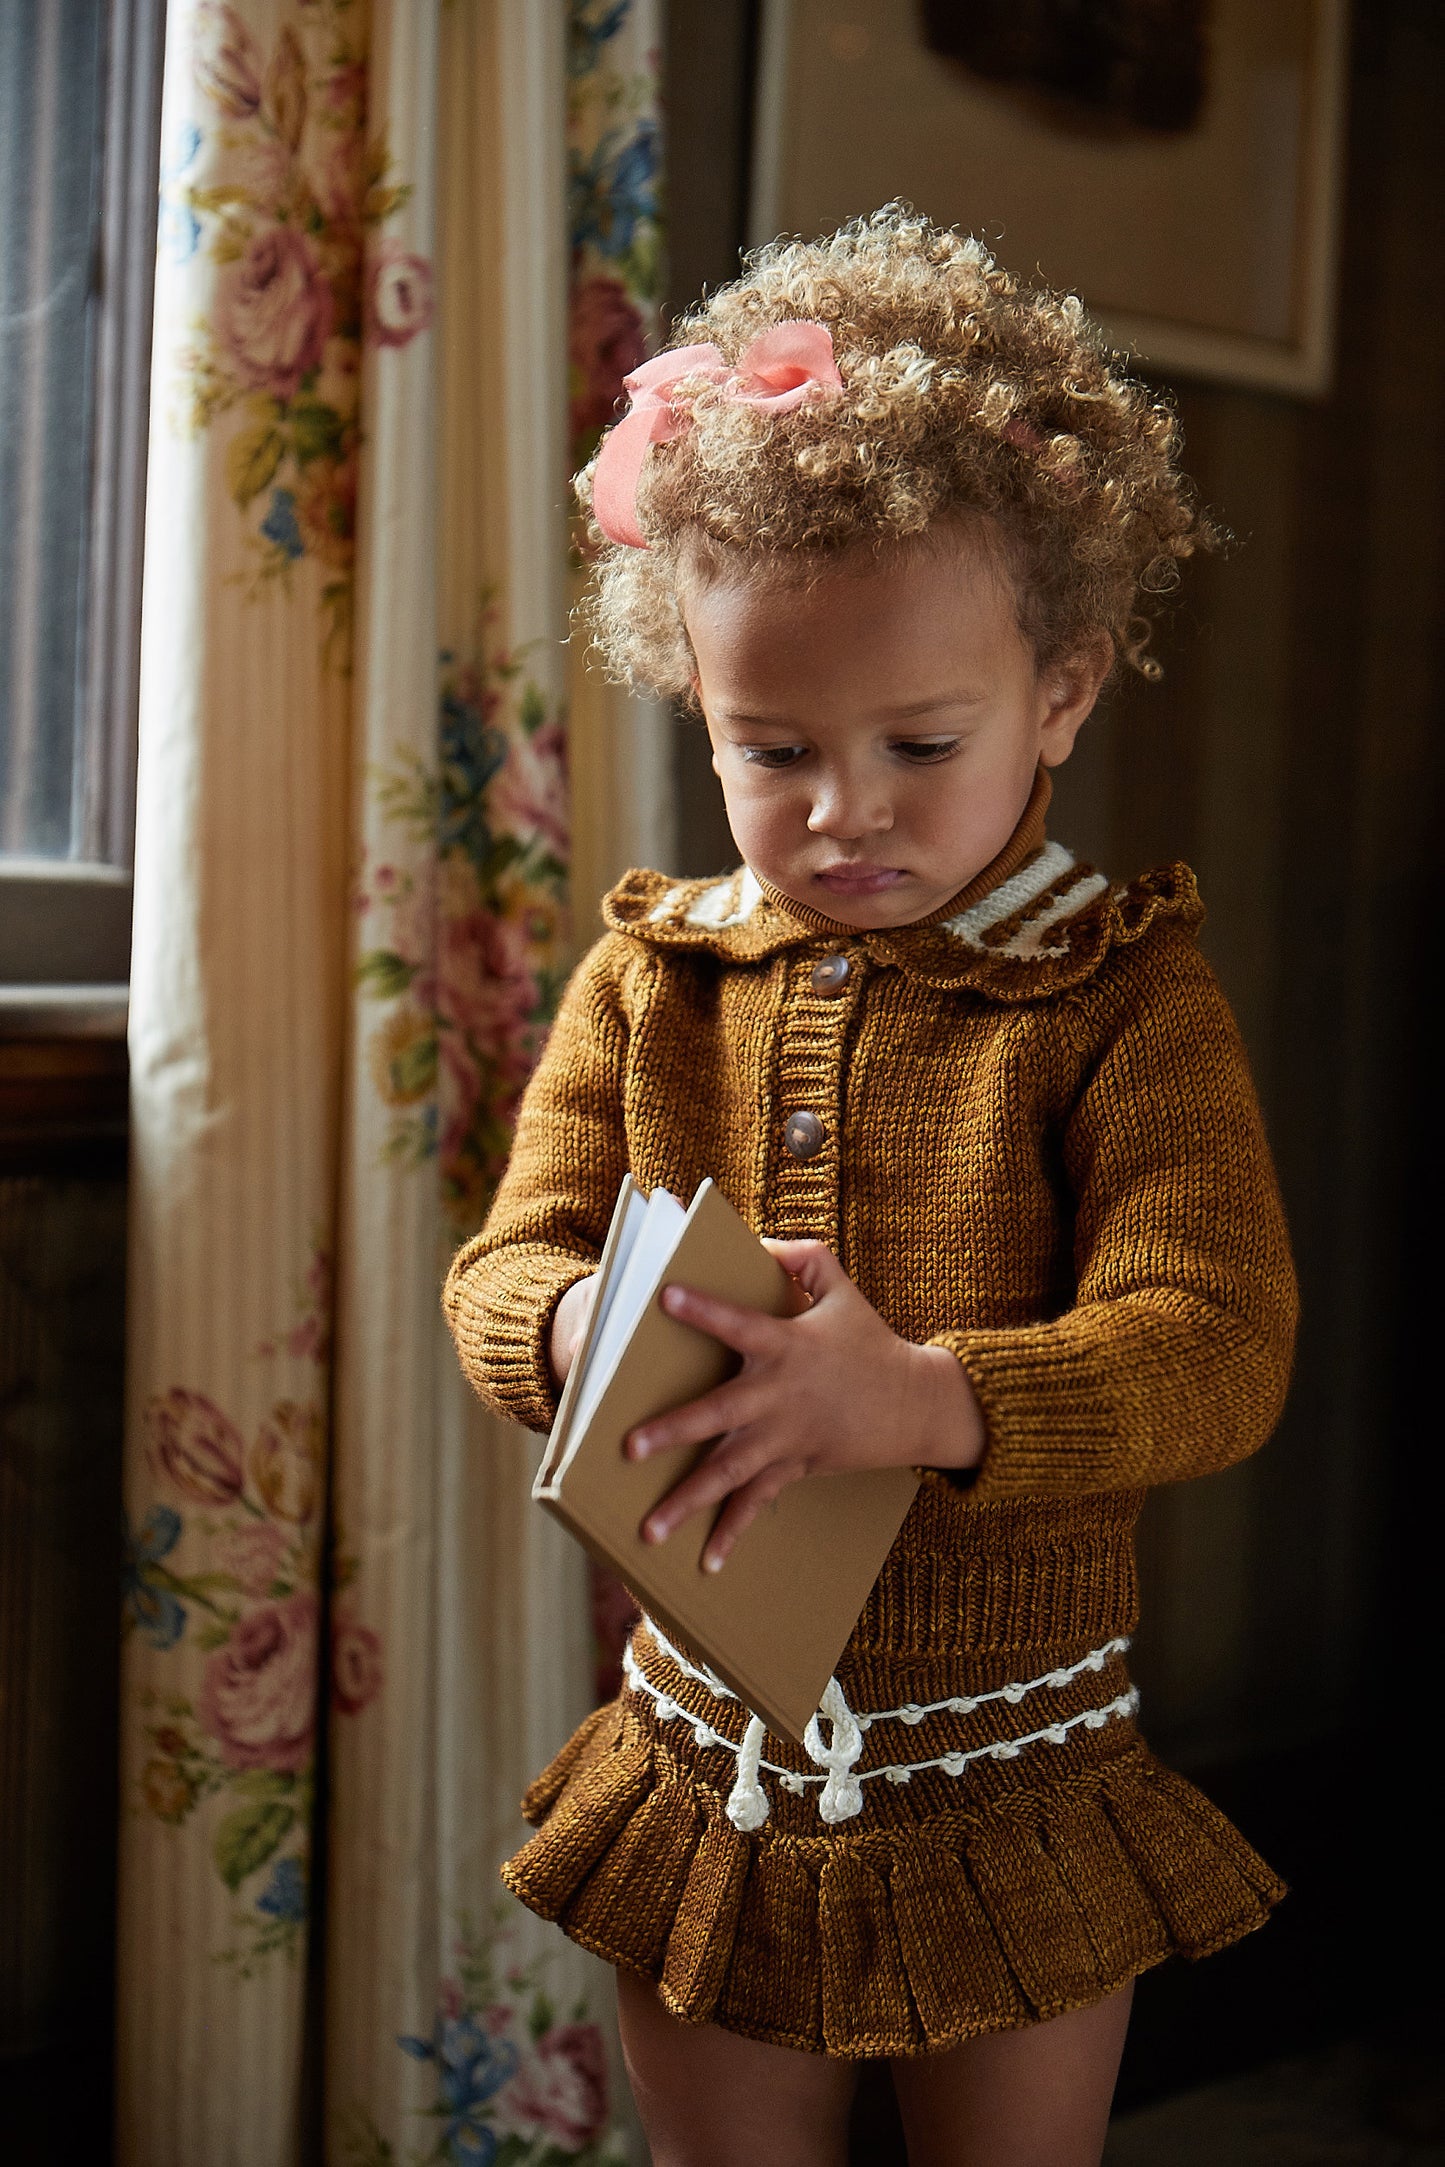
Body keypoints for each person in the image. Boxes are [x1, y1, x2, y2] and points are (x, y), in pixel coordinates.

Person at [443, 205, 1298, 2167]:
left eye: (922, 741)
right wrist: (585, 1324)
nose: (846, 809)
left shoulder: (1121, 992)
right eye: (772, 748)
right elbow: (506, 1266)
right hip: (708, 1754)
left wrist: (922, 1396)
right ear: (696, 701)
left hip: (1012, 1758)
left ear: (1064, 694)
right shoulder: (653, 975)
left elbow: (1220, 1340)